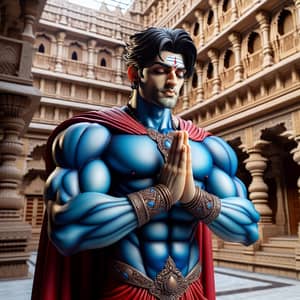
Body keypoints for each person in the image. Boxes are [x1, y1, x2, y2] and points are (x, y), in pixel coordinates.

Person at [32, 27, 260, 300]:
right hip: (126, 290)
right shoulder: (96, 136)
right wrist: (161, 196)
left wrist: (193, 197)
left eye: (180, 73)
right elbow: (67, 228)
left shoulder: (208, 147)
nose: (172, 81)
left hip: (192, 290)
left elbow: (248, 229)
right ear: (134, 74)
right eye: (161, 70)